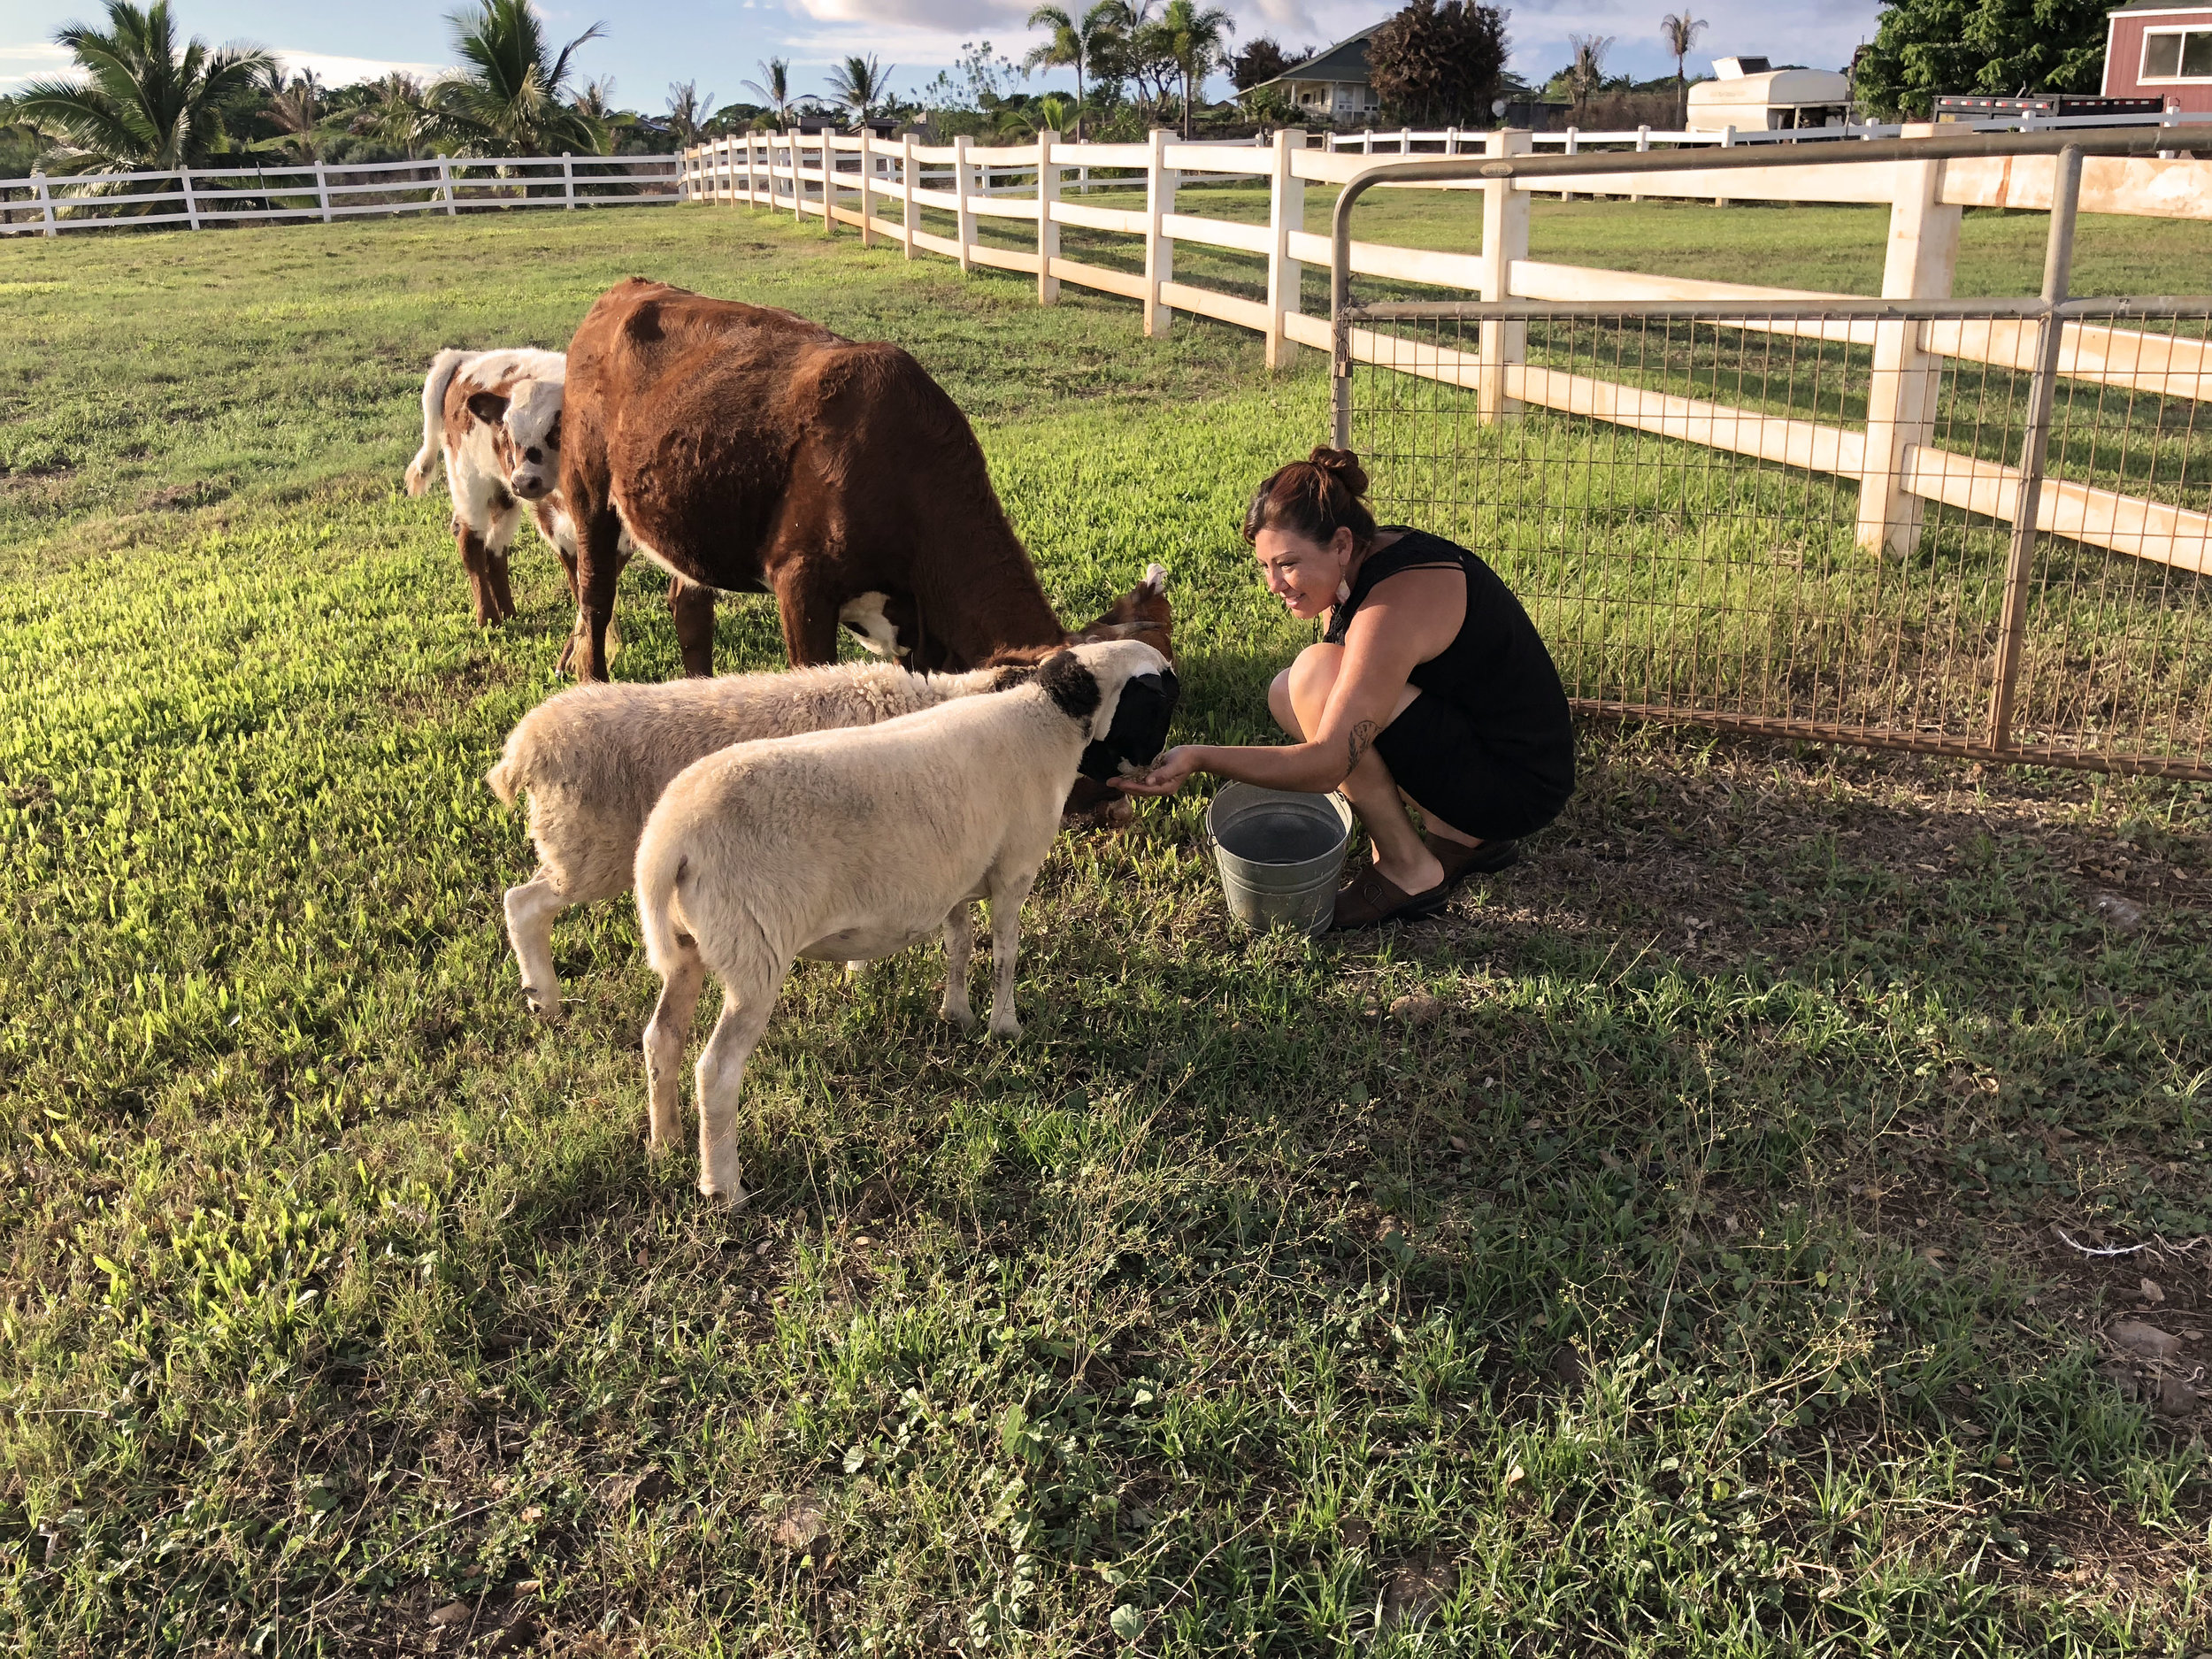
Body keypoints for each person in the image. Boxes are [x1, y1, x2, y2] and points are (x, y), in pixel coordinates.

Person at [1114, 447, 1575, 928]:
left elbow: (1329, 763)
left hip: (1520, 786)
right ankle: (1460, 833)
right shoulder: (1363, 562)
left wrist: (1199, 757)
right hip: (1486, 748)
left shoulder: (1394, 602)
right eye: (1265, 567)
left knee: (1314, 676)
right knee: (1287, 688)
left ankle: (1409, 869)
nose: (1274, 584)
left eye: (1287, 563)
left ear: (1340, 543)